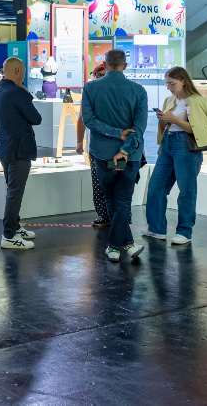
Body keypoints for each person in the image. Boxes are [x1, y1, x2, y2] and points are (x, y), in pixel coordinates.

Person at [144, 67, 207, 245]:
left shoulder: (198, 101)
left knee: (187, 191)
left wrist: (174, 120)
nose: (168, 87)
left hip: (186, 147)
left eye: (172, 83)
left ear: (183, 81)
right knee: (155, 188)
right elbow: (167, 126)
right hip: (168, 145)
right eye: (167, 83)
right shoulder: (169, 100)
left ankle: (184, 231)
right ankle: (156, 228)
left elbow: (199, 131)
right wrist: (164, 120)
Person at [81, 49, 147, 263]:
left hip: (102, 153)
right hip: (131, 155)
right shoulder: (139, 91)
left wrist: (113, 133)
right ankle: (122, 244)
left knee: (111, 197)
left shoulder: (90, 88)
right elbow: (139, 128)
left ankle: (118, 245)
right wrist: (125, 148)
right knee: (122, 200)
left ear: (105, 64)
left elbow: (88, 121)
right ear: (124, 65)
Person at [0, 57, 43, 250]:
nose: (23, 75)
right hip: (19, 149)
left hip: (5, 148)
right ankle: (9, 235)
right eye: (21, 71)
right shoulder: (16, 93)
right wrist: (25, 93)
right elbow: (36, 118)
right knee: (15, 192)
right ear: (15, 71)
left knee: (12, 190)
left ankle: (14, 226)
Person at [76, 62, 109, 228]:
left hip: (109, 148)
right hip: (98, 148)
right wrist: (79, 142)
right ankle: (106, 215)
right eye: (98, 76)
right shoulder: (90, 93)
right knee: (99, 182)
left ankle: (111, 215)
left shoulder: (92, 92)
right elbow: (81, 119)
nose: (100, 79)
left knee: (109, 182)